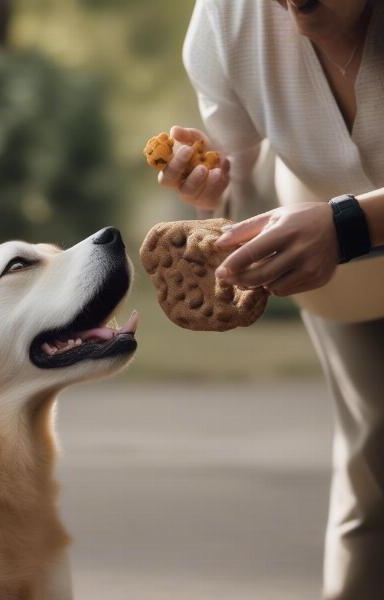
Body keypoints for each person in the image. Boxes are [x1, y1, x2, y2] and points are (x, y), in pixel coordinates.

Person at [160, 1, 384, 598]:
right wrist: (216, 181)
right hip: (348, 279)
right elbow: (251, 169)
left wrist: (351, 226)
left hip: (344, 238)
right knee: (375, 478)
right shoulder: (226, 21)